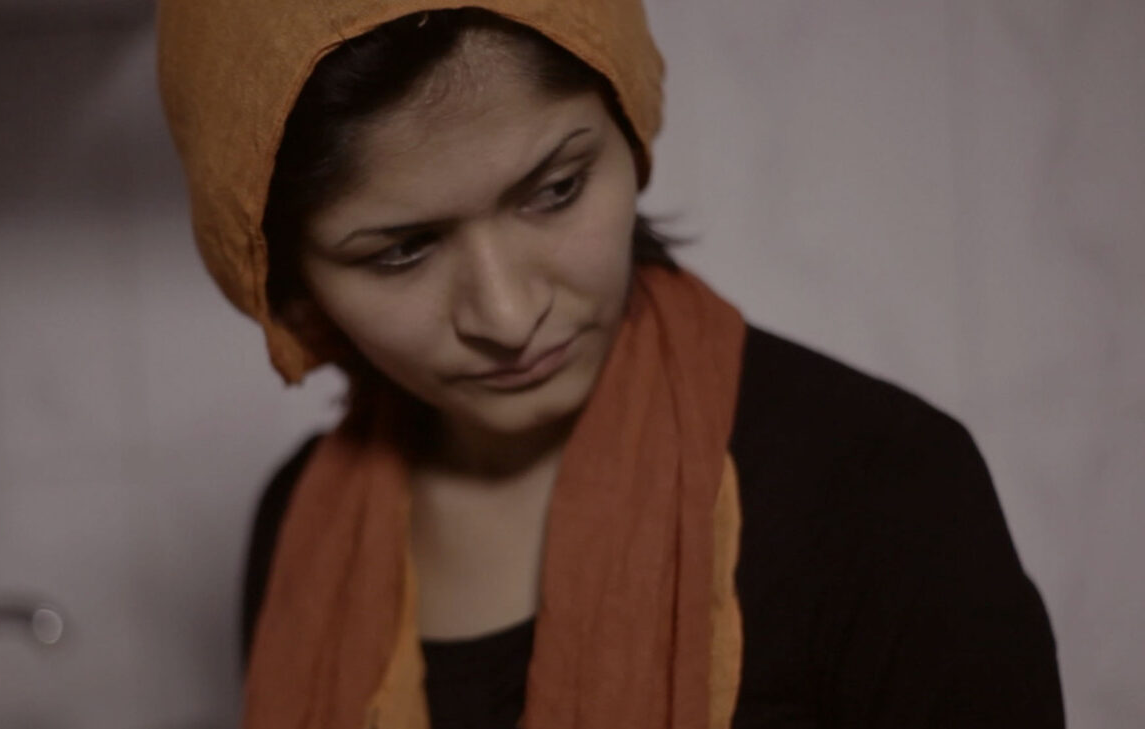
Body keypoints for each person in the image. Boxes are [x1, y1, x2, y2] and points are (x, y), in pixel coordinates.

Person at [156, 2, 1065, 728]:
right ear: (291, 280)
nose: (508, 317)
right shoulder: (300, 528)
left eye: (556, 191)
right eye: (401, 251)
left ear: (628, 129)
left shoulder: (881, 487)